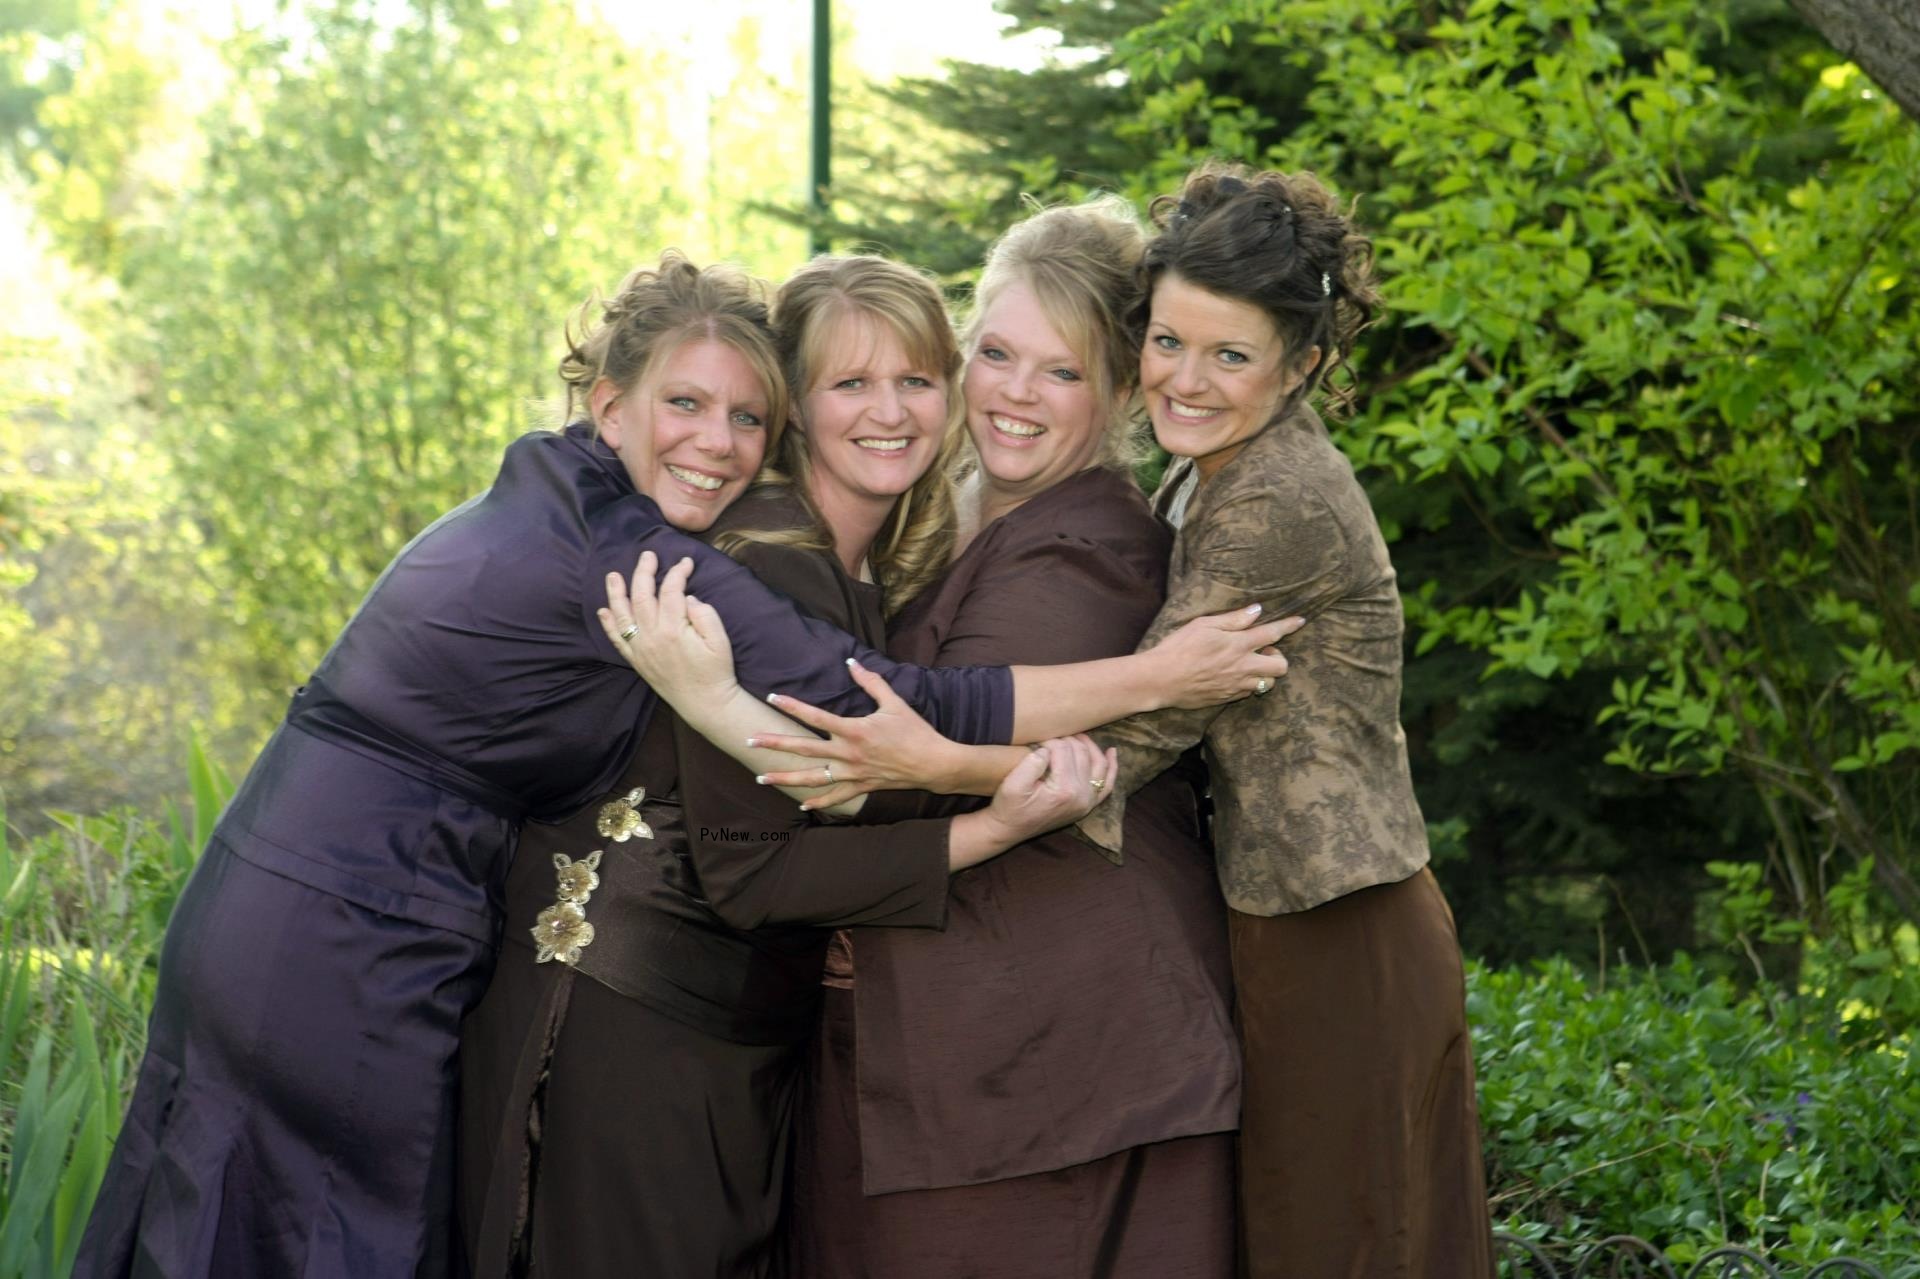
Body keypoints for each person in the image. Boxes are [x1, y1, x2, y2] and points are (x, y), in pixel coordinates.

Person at [74, 250, 1291, 1279]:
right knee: (318, 1235)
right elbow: (857, 754)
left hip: (368, 900)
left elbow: (810, 754)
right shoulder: (685, 561)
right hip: (358, 924)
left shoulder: (633, 514)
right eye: (687, 407)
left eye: (743, 415)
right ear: (608, 406)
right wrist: (1158, 682)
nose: (718, 442)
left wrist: (726, 703)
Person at [736, 167, 1497, 1277]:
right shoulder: (1173, 485)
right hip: (1261, 921)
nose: (1188, 380)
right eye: (994, 354)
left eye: (1064, 369)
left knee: (1349, 1235)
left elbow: (1121, 750)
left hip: (1333, 923)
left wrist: (920, 755)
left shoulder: (1203, 517)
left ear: (1301, 365)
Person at [456, 253, 1114, 1277]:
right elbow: (757, 873)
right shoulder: (766, 565)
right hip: (632, 1029)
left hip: (726, 1033)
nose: (888, 410)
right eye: (850, 383)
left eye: (915, 380)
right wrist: (993, 827)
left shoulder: (855, 568)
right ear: (795, 408)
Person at [781, 200, 1239, 1278]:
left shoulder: (1093, 546)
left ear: (1124, 390)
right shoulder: (947, 501)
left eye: (1062, 371)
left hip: (1056, 1064)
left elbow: (897, 746)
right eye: (994, 353)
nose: (1014, 395)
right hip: (960, 1037)